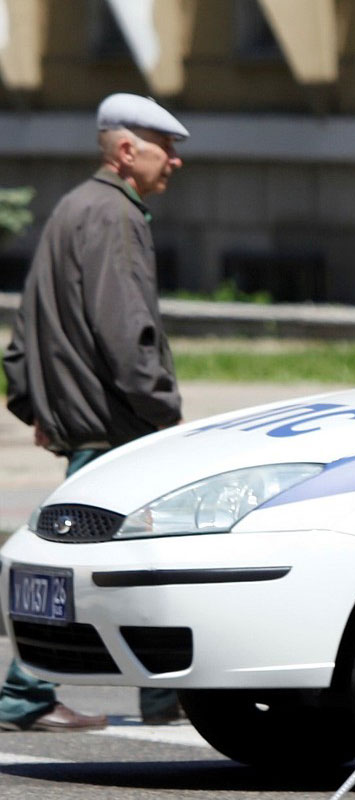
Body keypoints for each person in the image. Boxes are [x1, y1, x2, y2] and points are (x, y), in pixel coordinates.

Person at [1, 93, 189, 731]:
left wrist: (36, 403)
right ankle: (25, 693)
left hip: (86, 423)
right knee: (93, 566)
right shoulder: (115, 215)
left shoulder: (72, 207)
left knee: (129, 564)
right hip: (117, 429)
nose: (177, 162)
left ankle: (162, 697)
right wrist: (165, 411)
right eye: (167, 148)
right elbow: (126, 328)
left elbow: (23, 331)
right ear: (128, 150)